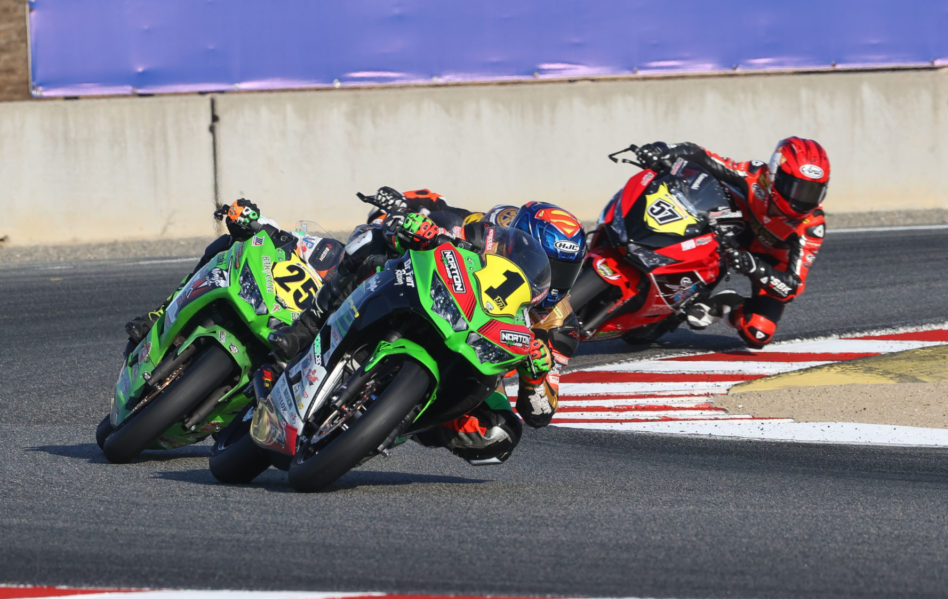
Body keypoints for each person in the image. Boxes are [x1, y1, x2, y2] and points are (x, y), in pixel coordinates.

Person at [268, 187, 587, 465]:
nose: (552, 279)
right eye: (544, 261)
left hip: (478, 360)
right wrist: (405, 221)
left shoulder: (559, 325)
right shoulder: (485, 228)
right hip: (436, 298)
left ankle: (395, 420)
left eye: (564, 271)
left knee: (502, 432)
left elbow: (541, 412)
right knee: (373, 240)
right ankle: (308, 327)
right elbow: (430, 215)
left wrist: (537, 375)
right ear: (519, 240)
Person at [634, 136, 829, 348]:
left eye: (812, 192)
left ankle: (725, 306)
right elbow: (704, 157)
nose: (802, 200)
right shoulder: (755, 176)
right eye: (797, 189)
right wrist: (664, 150)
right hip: (731, 234)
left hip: (766, 265)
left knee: (758, 333)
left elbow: (793, 286)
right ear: (776, 176)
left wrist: (754, 267)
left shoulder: (812, 226)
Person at [123, 198, 344, 347]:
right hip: (256, 295)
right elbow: (265, 230)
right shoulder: (321, 248)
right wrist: (240, 218)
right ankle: (161, 314)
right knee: (221, 248)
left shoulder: (347, 292)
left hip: (290, 324)